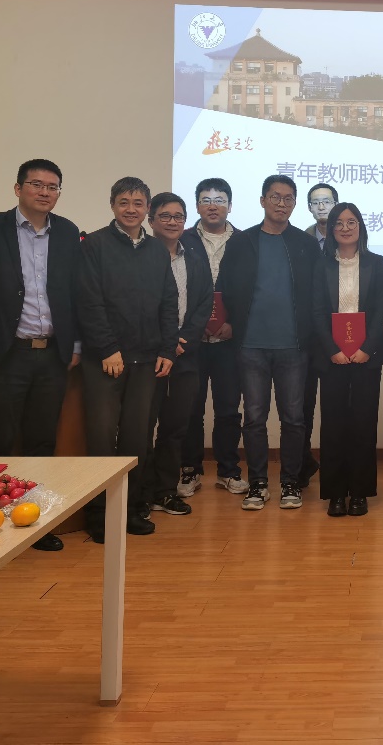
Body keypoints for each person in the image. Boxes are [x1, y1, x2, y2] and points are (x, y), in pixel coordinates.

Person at [0, 159, 81, 551]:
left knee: (42, 444)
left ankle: (33, 523)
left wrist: (75, 344)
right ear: (18, 188)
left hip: (52, 355)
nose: (45, 192)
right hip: (5, 354)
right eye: (36, 184)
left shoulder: (68, 232)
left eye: (52, 186)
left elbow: (75, 293)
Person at [77, 177, 179, 541]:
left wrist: (167, 349)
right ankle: (99, 516)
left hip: (147, 360)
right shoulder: (95, 245)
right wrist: (107, 348)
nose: (131, 209)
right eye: (124, 202)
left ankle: (131, 510)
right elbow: (88, 300)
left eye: (138, 203)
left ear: (147, 208)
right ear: (112, 206)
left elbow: (169, 302)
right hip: (105, 360)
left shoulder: (156, 250)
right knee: (102, 440)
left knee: (137, 440)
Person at [220, 174, 318, 511]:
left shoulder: (305, 244)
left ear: (294, 204)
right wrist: (228, 323)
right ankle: (258, 483)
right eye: (275, 197)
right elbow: (225, 286)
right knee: (254, 418)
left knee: (293, 418)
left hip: (294, 346)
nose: (281, 203)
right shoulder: (242, 242)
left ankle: (291, 482)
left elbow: (316, 294)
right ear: (263, 200)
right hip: (251, 345)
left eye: (288, 198)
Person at [311, 203, 383, 517]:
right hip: (331, 355)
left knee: (363, 423)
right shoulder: (320, 265)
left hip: (366, 356)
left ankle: (359, 492)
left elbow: (380, 310)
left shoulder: (375, 262)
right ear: (331, 229)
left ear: (360, 226)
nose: (345, 228)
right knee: (333, 424)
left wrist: (367, 348)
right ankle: (335, 493)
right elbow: (316, 310)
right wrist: (331, 348)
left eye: (351, 222)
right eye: (339, 223)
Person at [144, 193, 213, 519]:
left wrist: (182, 340)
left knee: (175, 426)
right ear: (151, 220)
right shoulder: (141, 255)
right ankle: (141, 493)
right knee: (142, 427)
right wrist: (165, 344)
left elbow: (204, 303)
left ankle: (165, 491)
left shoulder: (195, 258)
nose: (172, 222)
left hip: (185, 354)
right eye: (165, 216)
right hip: (149, 355)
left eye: (178, 216)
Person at [178, 178, 242, 497]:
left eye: (219, 200)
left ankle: (228, 470)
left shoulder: (245, 241)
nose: (213, 206)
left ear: (230, 205)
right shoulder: (182, 239)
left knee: (228, 409)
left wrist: (236, 324)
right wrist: (194, 324)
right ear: (197, 206)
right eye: (206, 200)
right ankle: (190, 470)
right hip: (192, 340)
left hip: (230, 341)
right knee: (191, 408)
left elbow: (252, 289)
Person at [300, 182, 337, 488]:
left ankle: (336, 468)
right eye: (316, 202)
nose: (322, 206)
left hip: (343, 338)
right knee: (302, 406)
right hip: (307, 337)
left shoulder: (350, 238)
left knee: (336, 406)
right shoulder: (300, 241)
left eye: (327, 200)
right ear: (309, 208)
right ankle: (302, 465)